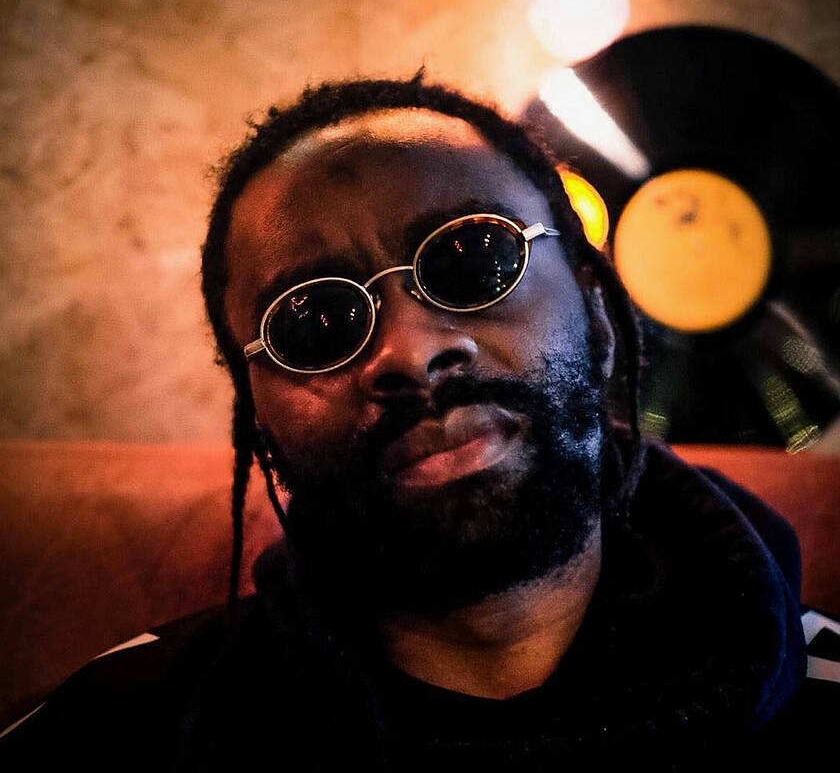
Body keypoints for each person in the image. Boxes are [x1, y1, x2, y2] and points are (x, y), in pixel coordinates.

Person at [2, 73, 837, 770]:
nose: (409, 350)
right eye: (315, 322)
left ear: (597, 314)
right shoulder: (115, 739)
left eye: (475, 261)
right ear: (259, 415)